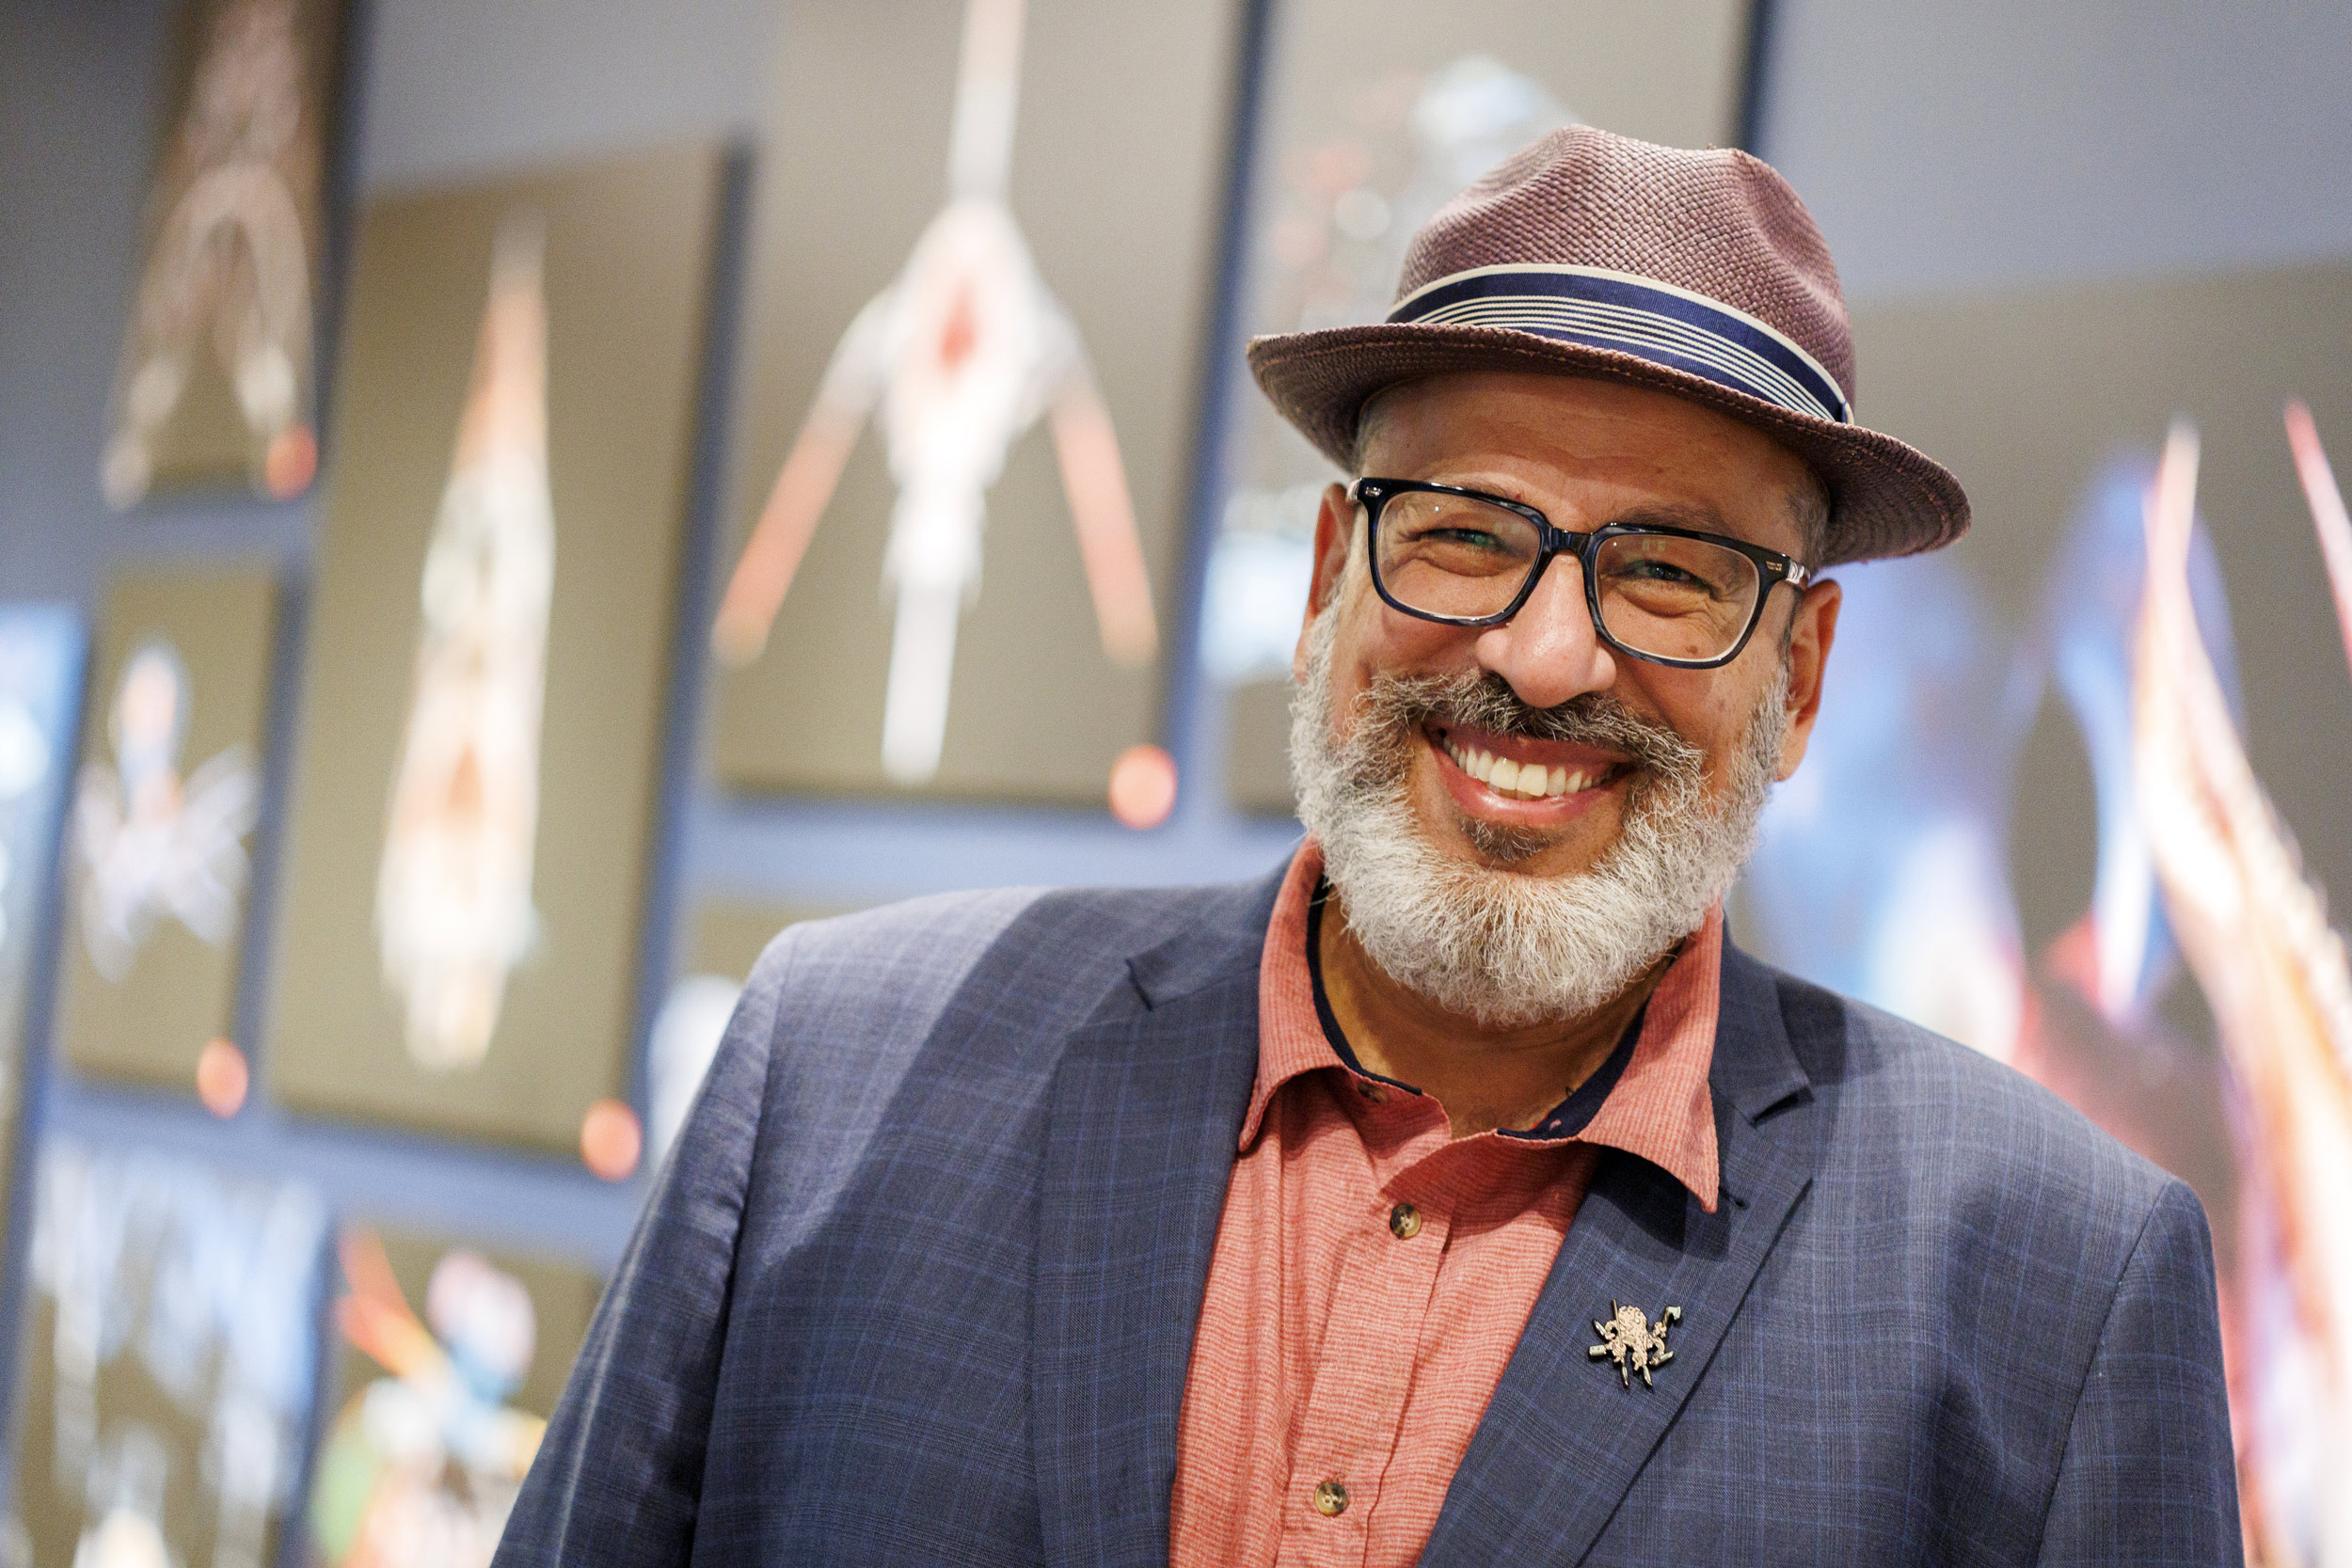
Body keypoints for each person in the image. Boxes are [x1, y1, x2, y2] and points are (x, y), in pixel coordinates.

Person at [492, 126, 2239, 1566]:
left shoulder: (2050, 1291)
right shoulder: (838, 1077)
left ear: (1800, 676)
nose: (1546, 659)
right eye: (1469, 537)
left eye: (1673, 574)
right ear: (1334, 572)